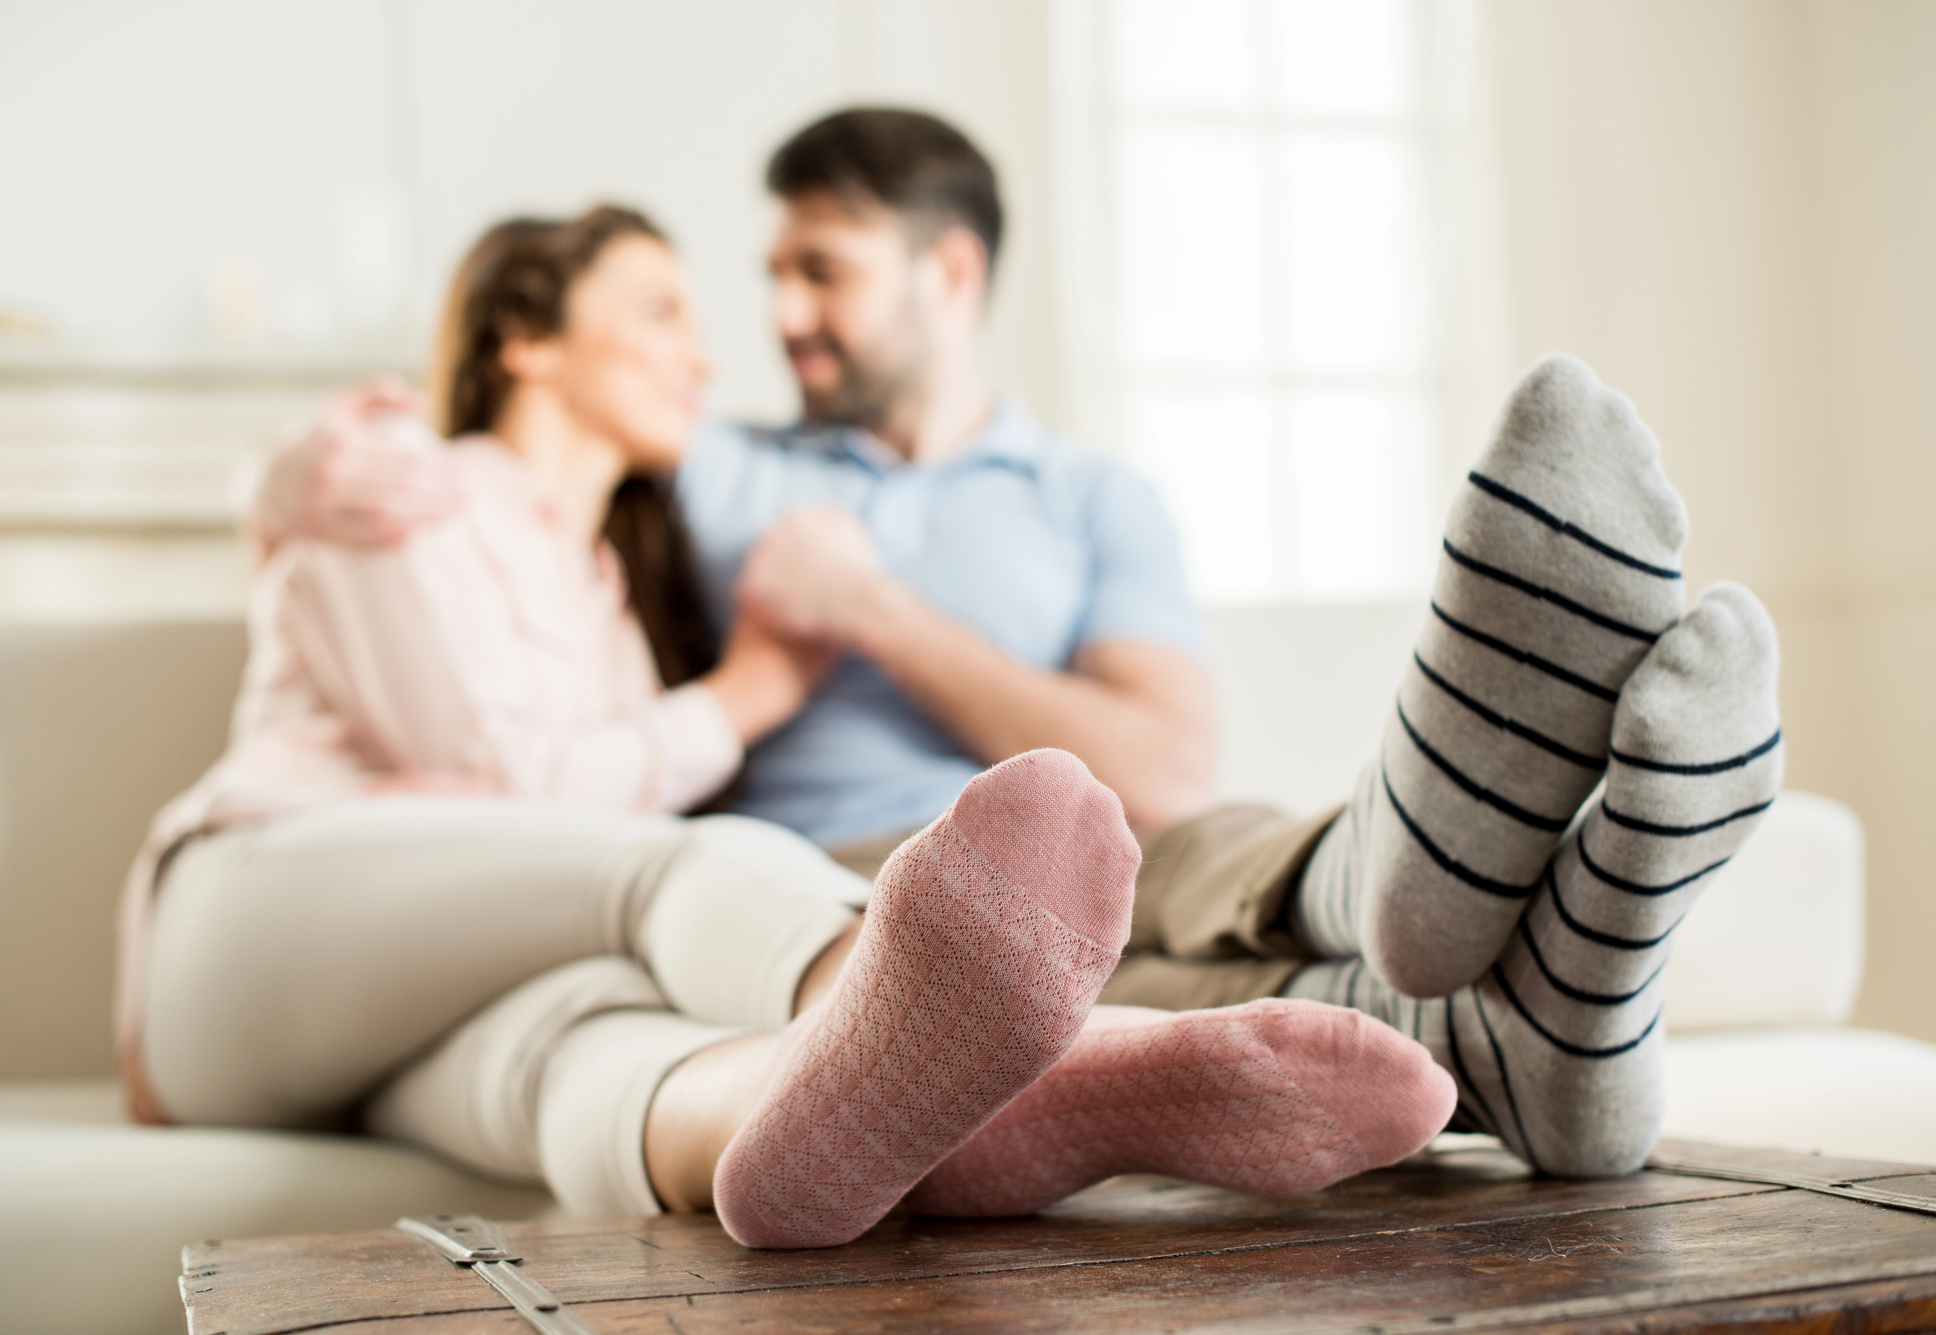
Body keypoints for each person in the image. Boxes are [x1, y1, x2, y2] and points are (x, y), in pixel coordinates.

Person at [259, 109, 1785, 1181]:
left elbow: (1169, 755)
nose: (772, 315)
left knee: (1163, 842)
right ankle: (1561, 1001)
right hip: (829, 877)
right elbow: (509, 463)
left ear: (950, 272)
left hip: (1123, 841)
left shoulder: (1091, 496)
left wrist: (877, 617)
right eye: (770, 272)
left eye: (822, 270)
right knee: (1025, 958)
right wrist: (292, 483)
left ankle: (1405, 877)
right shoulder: (716, 468)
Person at [119, 203, 1456, 1249]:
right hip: (241, 939)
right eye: (657, 308)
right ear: (526, 338)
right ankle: (1003, 1027)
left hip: (422, 1012)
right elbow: (515, 785)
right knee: (667, 864)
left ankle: (853, 1123)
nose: (707, 352)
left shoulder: (612, 594)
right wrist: (755, 687)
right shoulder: (402, 481)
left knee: (595, 1058)